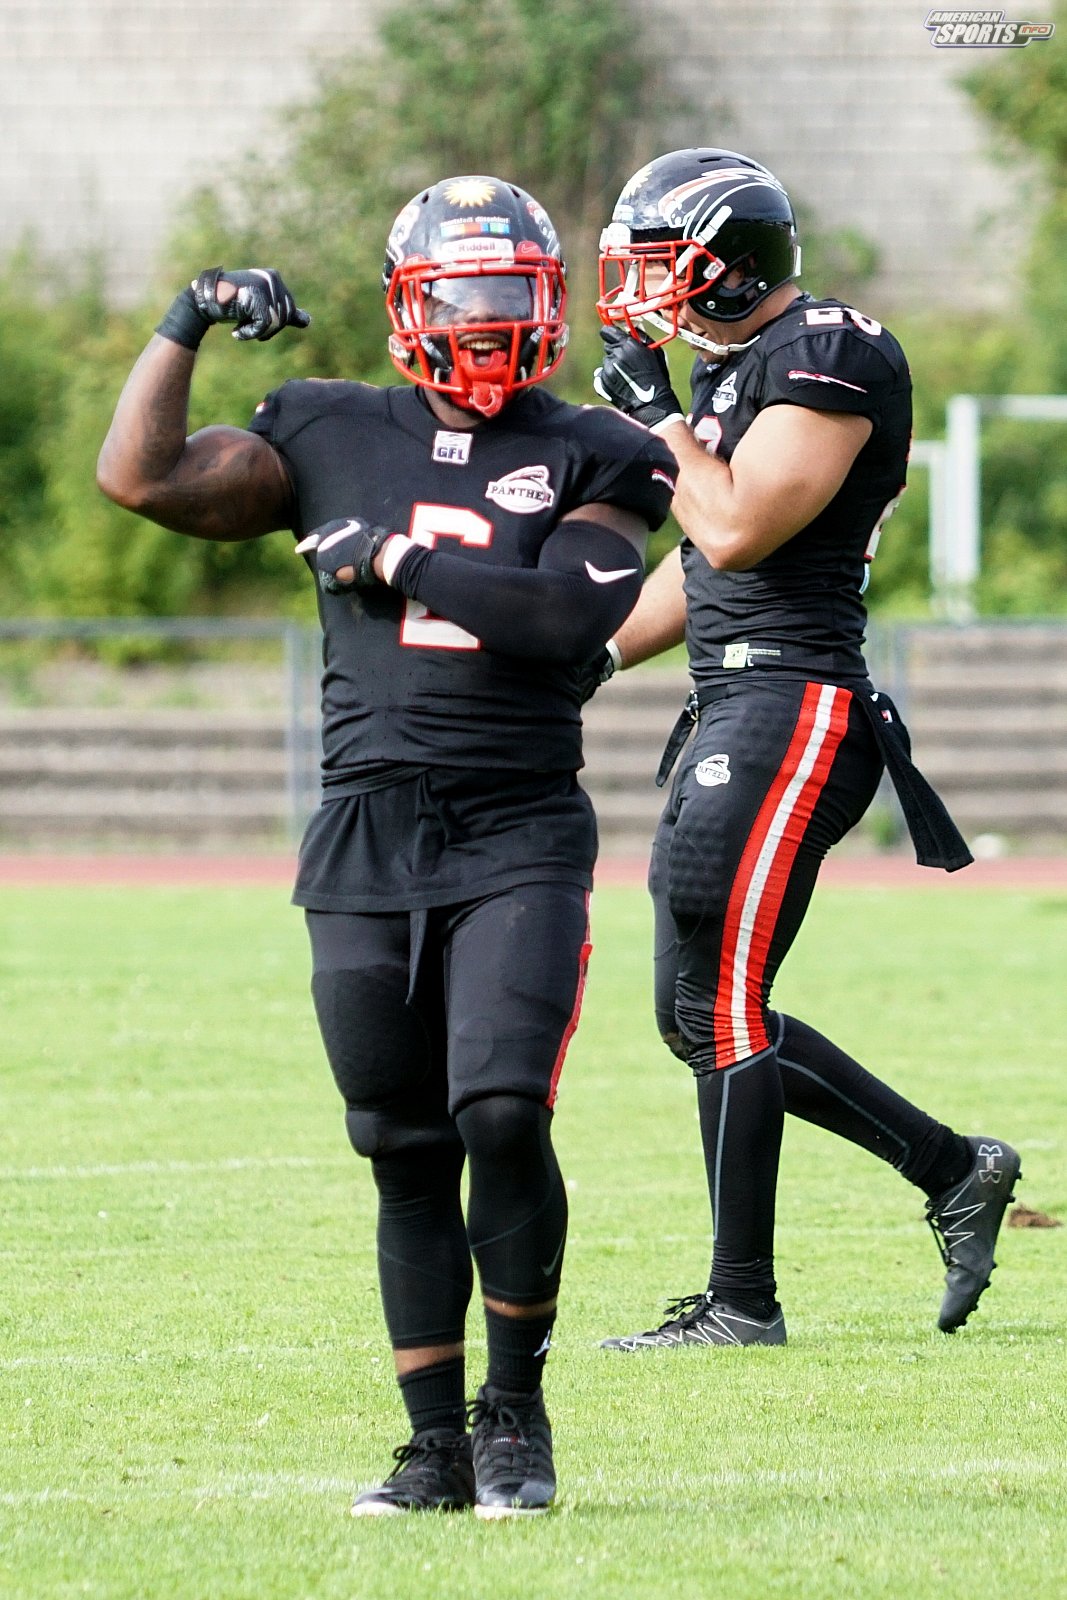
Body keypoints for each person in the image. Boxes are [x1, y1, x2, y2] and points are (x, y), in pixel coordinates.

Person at [96, 175, 676, 1513]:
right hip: (365, 828)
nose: (485, 322)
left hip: (516, 824)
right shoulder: (326, 425)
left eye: (508, 294)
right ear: (410, 307)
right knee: (400, 1143)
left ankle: (513, 1412)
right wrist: (185, 319)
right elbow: (140, 477)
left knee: (500, 1109)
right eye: (461, 296)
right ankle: (431, 1443)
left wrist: (401, 559)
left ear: (548, 303)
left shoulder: (596, 446)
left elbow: (565, 619)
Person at [586, 147, 1020, 1350]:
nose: (643, 287)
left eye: (663, 261)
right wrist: (588, 657)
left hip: (796, 706)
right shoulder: (734, 369)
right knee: (694, 1011)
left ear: (731, 260)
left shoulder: (828, 349)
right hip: (730, 703)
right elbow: (698, 569)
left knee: (721, 1003)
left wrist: (652, 416)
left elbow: (732, 529)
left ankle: (741, 1302)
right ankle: (953, 1168)